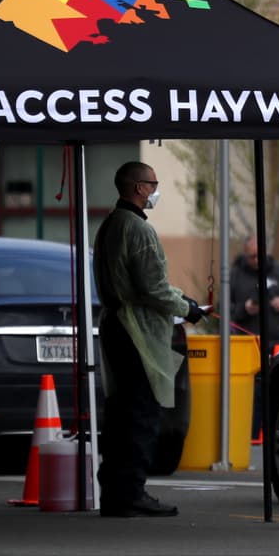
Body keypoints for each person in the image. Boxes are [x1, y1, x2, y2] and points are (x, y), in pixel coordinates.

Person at [93, 161, 205, 517]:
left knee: (120, 413)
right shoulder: (138, 229)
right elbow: (152, 287)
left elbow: (146, 283)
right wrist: (187, 308)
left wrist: (181, 299)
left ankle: (116, 492)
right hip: (135, 330)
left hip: (117, 325)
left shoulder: (111, 224)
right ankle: (131, 492)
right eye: (153, 184)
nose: (156, 190)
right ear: (139, 187)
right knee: (140, 413)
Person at [229, 234, 279, 344]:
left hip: (278, 341)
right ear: (245, 254)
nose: (257, 260)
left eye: (260, 255)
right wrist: (244, 309)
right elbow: (223, 307)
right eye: (252, 256)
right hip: (247, 341)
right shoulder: (235, 275)